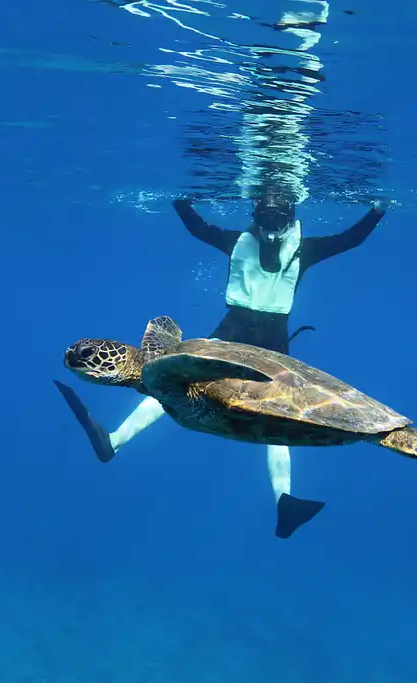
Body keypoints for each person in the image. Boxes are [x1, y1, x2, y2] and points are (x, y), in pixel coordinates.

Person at [57, 191, 389, 538]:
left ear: (290, 218)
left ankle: (284, 501)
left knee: (243, 403)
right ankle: (116, 441)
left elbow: (349, 240)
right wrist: (180, 201)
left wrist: (377, 211)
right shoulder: (269, 245)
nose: (271, 231)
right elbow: (199, 228)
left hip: (242, 339)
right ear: (255, 216)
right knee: (163, 375)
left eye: (278, 222)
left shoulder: (280, 246)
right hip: (255, 342)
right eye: (265, 220)